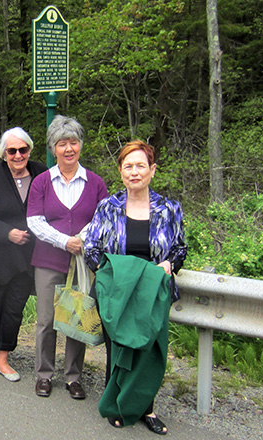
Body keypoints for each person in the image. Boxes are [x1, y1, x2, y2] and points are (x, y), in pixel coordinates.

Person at [83, 140, 187, 435]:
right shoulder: (108, 207)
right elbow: (92, 248)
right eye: (128, 166)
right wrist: (111, 276)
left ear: (152, 170)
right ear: (120, 171)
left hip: (152, 293)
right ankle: (116, 403)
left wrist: (169, 265)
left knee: (147, 349)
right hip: (117, 292)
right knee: (118, 349)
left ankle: (147, 408)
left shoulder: (168, 209)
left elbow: (180, 248)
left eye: (141, 165)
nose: (134, 172)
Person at [26, 115, 109, 399]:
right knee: (47, 321)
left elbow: (102, 218)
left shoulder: (96, 183)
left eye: (73, 142)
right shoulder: (41, 182)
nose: (69, 148)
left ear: (81, 145)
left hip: (82, 266)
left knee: (76, 320)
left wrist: (81, 240)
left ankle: (73, 377)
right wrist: (65, 242)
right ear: (53, 149)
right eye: (62, 144)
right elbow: (34, 221)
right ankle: (44, 374)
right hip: (49, 262)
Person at [0, 127, 47, 382]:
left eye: (22, 149)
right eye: (11, 150)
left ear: (29, 150)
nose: (17, 155)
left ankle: (4, 357)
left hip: (25, 260)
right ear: (4, 153)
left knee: (14, 310)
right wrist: (7, 233)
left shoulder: (41, 174)